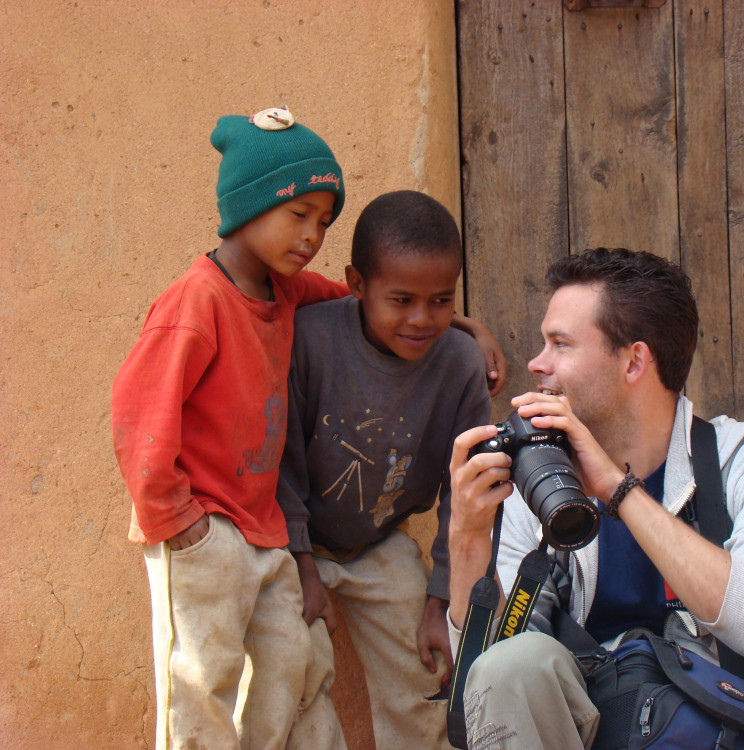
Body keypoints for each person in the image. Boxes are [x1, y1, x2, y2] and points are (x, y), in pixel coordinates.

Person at [111, 108, 504, 750]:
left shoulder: (286, 293)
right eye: (299, 215)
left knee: (292, 676)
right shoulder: (199, 303)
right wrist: (178, 523)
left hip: (280, 536)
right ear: (248, 207)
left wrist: (465, 328)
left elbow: (385, 301)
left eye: (324, 220)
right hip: (210, 530)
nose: (313, 234)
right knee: (204, 684)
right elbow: (138, 418)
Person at [447, 248, 744, 749]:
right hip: (592, 733)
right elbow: (492, 688)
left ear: (634, 362)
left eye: (560, 344)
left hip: (742, 731)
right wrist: (468, 536)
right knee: (512, 664)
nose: (537, 363)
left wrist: (617, 490)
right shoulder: (538, 488)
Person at [277, 190, 492, 749]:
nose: (422, 319)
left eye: (441, 301)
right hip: (288, 543)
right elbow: (283, 464)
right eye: (401, 300)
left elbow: (463, 494)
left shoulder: (460, 364)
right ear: (356, 284)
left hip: (378, 543)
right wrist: (301, 567)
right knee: (291, 674)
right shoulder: (311, 340)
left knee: (423, 672)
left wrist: (439, 601)